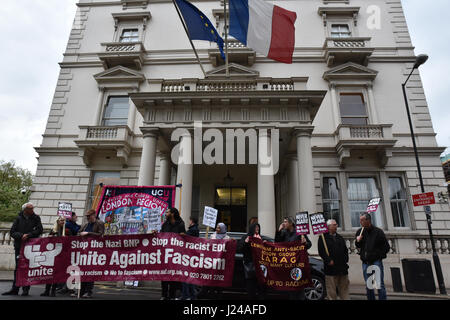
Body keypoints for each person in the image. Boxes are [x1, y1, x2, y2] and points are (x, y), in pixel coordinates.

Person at [2, 202, 43, 296]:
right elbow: (12, 232)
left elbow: (40, 230)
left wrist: (29, 235)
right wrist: (21, 236)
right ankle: (15, 289)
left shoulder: (36, 218)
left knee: (28, 268)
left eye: (33, 208)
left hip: (30, 247)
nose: (33, 210)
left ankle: (26, 289)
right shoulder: (18, 218)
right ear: (25, 210)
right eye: (31, 209)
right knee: (18, 268)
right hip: (19, 246)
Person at [275, 216, 312, 300]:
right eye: (283, 222)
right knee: (290, 286)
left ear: (291, 223)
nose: (284, 223)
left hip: (298, 263)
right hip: (289, 263)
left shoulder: (300, 232)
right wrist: (278, 231)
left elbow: (309, 245)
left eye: (285, 222)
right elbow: (277, 243)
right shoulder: (284, 232)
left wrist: (305, 243)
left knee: (299, 284)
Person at [355, 213, 390, 300]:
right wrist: (358, 241)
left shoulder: (378, 232)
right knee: (369, 285)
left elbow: (386, 247)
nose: (360, 222)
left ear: (368, 221)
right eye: (360, 220)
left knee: (379, 284)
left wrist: (378, 256)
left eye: (362, 220)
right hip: (366, 262)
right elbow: (358, 246)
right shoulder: (360, 231)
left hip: (376, 262)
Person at [318, 219, 350, 300]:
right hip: (331, 269)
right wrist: (328, 260)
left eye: (336, 224)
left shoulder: (340, 237)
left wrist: (345, 259)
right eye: (334, 225)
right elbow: (322, 252)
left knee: (344, 290)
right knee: (331, 292)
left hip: (342, 268)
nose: (336, 226)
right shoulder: (323, 238)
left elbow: (345, 250)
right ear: (328, 227)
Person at [76, 209, 104, 298]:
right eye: (87, 216)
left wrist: (88, 233)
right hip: (84, 251)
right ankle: (82, 291)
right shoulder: (85, 224)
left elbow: (101, 234)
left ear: (94, 215)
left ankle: (89, 291)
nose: (88, 218)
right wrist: (80, 234)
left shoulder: (100, 223)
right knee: (83, 272)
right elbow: (78, 233)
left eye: (89, 216)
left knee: (91, 272)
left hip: (94, 252)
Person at [41, 216, 71, 297]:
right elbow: (48, 242)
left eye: (63, 221)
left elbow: (71, 242)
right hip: (52, 254)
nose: (62, 222)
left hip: (61, 255)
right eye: (61, 220)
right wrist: (50, 237)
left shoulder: (67, 231)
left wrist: (66, 239)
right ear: (57, 221)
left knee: (56, 273)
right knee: (50, 273)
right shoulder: (53, 230)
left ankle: (53, 290)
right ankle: (47, 290)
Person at [160, 207, 186, 300]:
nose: (166, 214)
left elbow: (184, 239)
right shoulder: (165, 225)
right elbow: (161, 236)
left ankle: (171, 295)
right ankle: (164, 295)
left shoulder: (180, 224)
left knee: (173, 277)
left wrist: (183, 236)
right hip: (165, 254)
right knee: (164, 275)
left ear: (173, 214)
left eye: (167, 212)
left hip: (175, 255)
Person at [239, 223, 266, 300]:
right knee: (251, 289)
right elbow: (240, 249)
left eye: (258, 227)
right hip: (250, 267)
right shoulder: (246, 237)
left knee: (262, 290)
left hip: (261, 268)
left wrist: (265, 244)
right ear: (252, 228)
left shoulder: (261, 238)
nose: (257, 229)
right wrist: (246, 242)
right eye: (256, 227)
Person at [181, 216, 199, 300]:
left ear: (191, 221)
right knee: (188, 277)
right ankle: (190, 295)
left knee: (186, 277)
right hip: (189, 255)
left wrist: (183, 235)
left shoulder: (193, 229)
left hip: (189, 256)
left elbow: (187, 237)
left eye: (189, 220)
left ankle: (187, 295)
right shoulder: (193, 229)